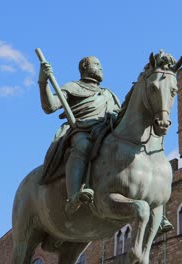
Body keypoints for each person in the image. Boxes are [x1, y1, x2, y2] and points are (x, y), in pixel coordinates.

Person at [38, 56, 120, 215]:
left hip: (105, 130)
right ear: (84, 66)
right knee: (83, 145)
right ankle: (74, 196)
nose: (101, 68)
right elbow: (50, 106)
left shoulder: (108, 94)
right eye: (97, 64)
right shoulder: (73, 87)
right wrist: (43, 83)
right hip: (83, 130)